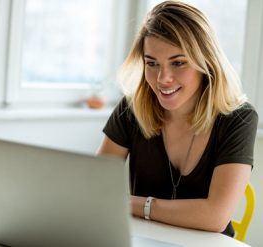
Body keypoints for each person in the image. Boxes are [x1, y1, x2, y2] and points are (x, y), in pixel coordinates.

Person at [97, 0, 258, 237]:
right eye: (152, 63)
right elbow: (95, 191)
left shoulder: (239, 118)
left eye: (178, 63)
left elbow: (215, 216)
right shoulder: (131, 110)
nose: (163, 78)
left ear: (206, 62)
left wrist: (132, 203)